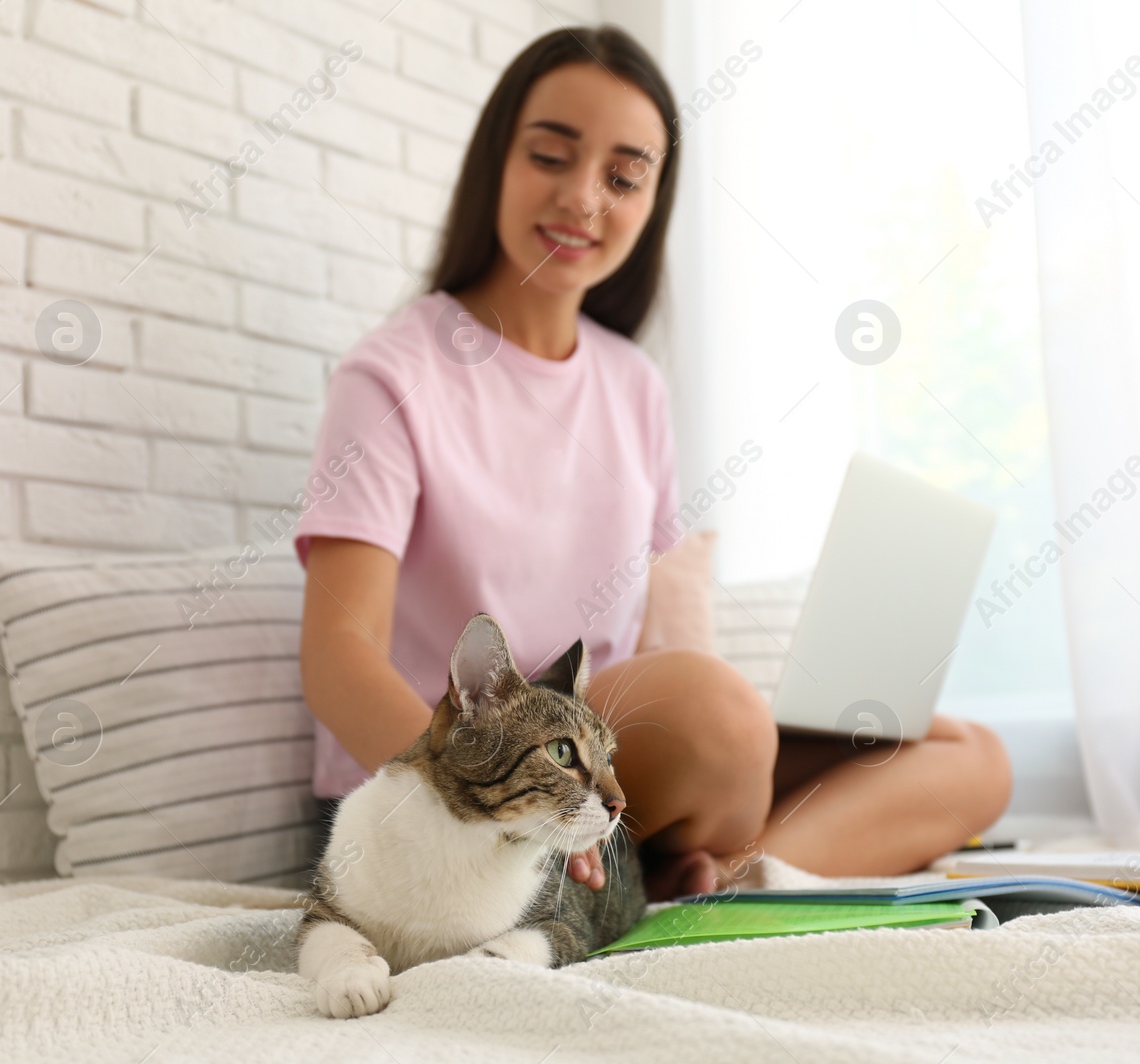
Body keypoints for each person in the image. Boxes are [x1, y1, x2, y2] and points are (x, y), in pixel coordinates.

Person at [294, 25, 1012, 903]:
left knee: (972, 754)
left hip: (605, 766)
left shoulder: (633, 383)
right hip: (462, 784)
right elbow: (337, 654)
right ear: (496, 163)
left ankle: (737, 882)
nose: (584, 198)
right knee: (723, 717)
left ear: (653, 200)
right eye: (552, 156)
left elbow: (658, 647)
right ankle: (704, 866)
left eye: (624, 176)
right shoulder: (394, 373)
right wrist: (471, 807)